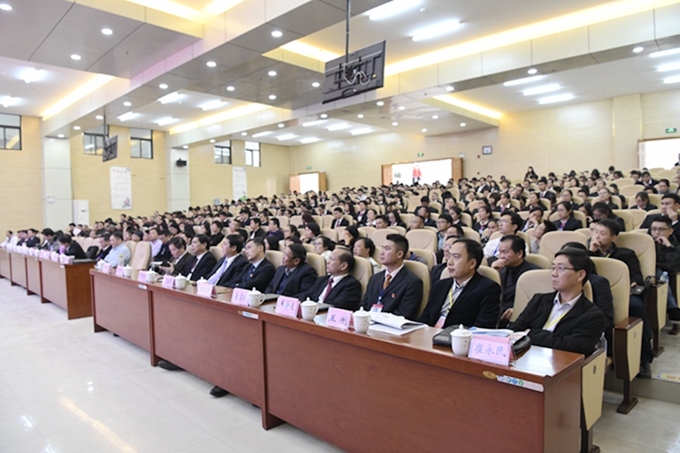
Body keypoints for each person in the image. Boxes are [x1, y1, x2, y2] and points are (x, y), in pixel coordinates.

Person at [508, 248, 607, 355]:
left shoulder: (593, 316)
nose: (554, 274)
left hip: (561, 362)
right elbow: (514, 331)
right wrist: (554, 339)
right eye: (553, 268)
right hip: (525, 357)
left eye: (560, 268)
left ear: (580, 275)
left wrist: (530, 333)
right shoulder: (539, 300)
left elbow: (573, 347)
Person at [589, 219, 653, 377]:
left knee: (636, 307)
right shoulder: (587, 253)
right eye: (595, 232)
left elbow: (636, 275)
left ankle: (644, 358)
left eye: (602, 233)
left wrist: (633, 283)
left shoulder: (626, 254)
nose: (597, 236)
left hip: (623, 293)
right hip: (597, 293)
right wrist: (591, 252)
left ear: (613, 237)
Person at [418, 238, 501, 328]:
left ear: (472, 263)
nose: (450, 262)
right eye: (449, 256)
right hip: (431, 333)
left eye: (456, 257)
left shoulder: (488, 289)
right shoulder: (439, 285)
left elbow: (483, 327)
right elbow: (425, 318)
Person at [360, 234, 423, 320]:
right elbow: (364, 306)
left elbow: (405, 314)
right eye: (382, 248)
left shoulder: (412, 282)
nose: (381, 253)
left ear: (399, 254)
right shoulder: (375, 278)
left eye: (387, 249)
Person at [493, 236, 542, 326]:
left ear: (519, 253)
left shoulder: (535, 273)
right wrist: (494, 274)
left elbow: (538, 302)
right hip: (496, 313)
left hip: (520, 318)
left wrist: (518, 309)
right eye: (500, 252)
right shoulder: (499, 269)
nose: (501, 256)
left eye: (505, 252)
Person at [298, 248, 362, 309]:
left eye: (332, 259)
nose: (327, 262)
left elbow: (339, 305)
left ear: (343, 266)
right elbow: (306, 295)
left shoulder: (351, 285)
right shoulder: (322, 280)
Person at [648, 217, 680, 321]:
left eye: (661, 229)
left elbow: (674, 266)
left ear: (670, 231)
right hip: (648, 273)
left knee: (659, 272)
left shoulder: (675, 244)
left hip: (666, 275)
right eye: (654, 229)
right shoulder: (646, 243)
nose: (657, 232)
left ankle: (672, 307)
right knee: (658, 271)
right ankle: (672, 307)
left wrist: (668, 246)